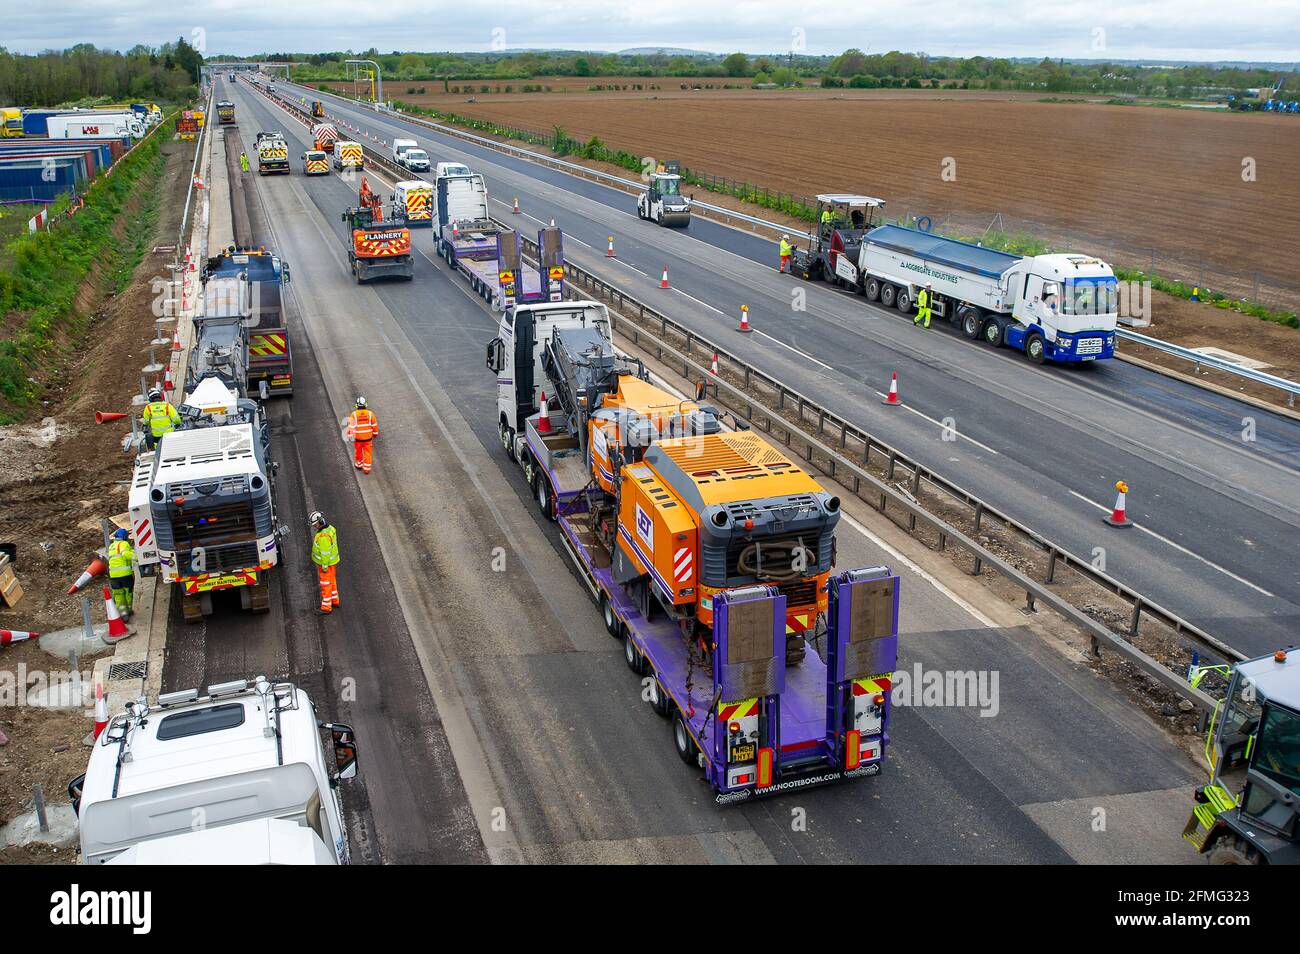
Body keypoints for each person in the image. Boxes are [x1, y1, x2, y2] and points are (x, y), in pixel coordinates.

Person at [310, 511, 340, 613]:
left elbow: (325, 553)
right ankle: (334, 600)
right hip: (332, 562)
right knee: (332, 580)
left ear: (319, 522)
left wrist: (324, 565)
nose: (314, 527)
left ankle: (326, 607)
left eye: (314, 524)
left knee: (325, 584)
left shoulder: (323, 536)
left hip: (326, 564)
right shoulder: (330, 529)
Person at [107, 528, 135, 620]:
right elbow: (125, 554)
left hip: (113, 576)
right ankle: (129, 610)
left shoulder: (111, 546)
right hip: (125, 574)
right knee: (128, 593)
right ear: (124, 537)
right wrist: (139, 557)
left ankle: (123, 614)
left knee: (118, 595)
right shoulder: (124, 544)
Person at [348, 396, 379, 474]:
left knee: (358, 451)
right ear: (365, 405)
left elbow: (351, 426)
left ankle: (359, 464)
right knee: (368, 452)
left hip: (358, 438)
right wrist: (375, 433)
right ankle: (366, 469)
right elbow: (374, 425)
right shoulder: (370, 414)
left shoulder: (353, 414)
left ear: (357, 405)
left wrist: (350, 436)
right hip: (368, 438)